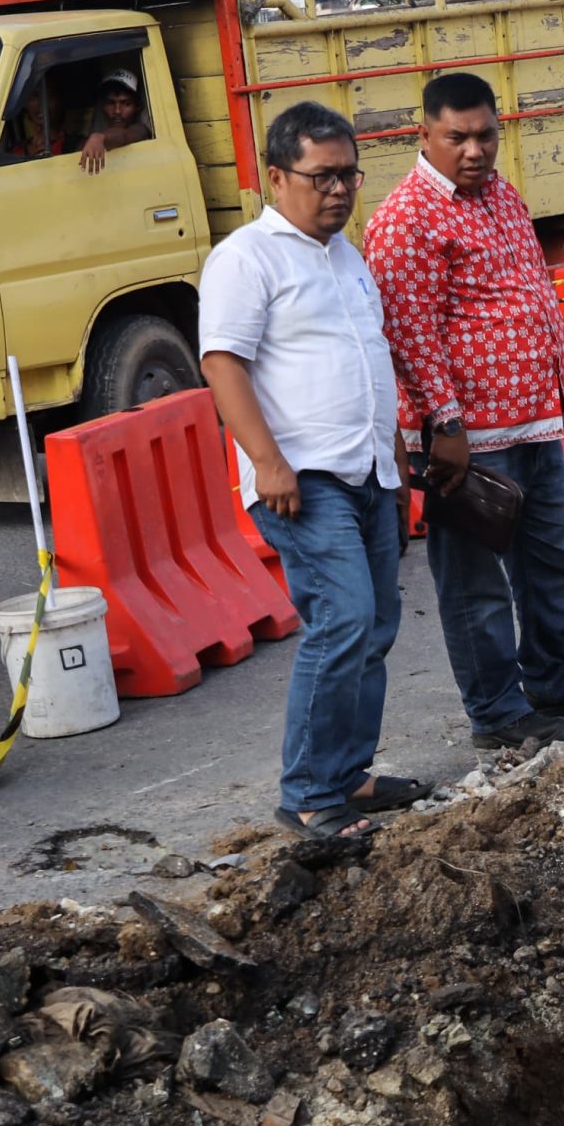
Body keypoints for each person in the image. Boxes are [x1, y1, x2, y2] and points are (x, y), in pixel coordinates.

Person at [366, 70, 564, 753]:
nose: (474, 150)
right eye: (457, 137)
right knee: (476, 583)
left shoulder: (502, 195)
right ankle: (495, 711)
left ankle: (552, 678)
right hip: (466, 441)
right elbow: (408, 332)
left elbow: (537, 288)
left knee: (556, 558)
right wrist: (443, 426)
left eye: (486, 134)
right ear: (424, 135)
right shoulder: (406, 218)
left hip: (535, 420)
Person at [198, 101, 423, 841]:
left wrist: (391, 453)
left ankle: (349, 774)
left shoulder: (346, 258)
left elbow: (368, 362)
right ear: (275, 176)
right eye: (321, 176)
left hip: (366, 471)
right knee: (344, 618)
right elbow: (222, 363)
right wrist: (267, 461)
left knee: (378, 623)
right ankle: (307, 794)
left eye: (348, 175)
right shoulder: (246, 258)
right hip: (302, 477)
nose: (338, 190)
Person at [77, 67, 153, 174]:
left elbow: (126, 135)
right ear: (102, 106)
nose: (117, 111)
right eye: (111, 103)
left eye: (126, 104)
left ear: (138, 107)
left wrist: (99, 138)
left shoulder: (141, 130)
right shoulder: (91, 139)